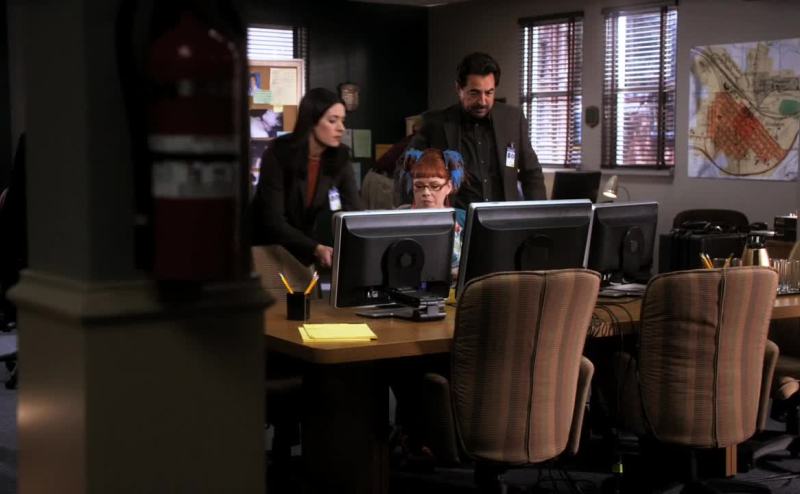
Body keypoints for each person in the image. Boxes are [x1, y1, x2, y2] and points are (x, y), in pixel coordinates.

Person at [403, 52, 546, 209]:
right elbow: (405, 171)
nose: (482, 101)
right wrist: (414, 214)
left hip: (502, 217)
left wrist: (539, 216)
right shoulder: (435, 124)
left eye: (489, 92)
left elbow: (532, 173)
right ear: (459, 88)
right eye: (474, 93)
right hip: (456, 218)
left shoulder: (512, 119)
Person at [251, 88, 363, 267]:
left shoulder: (340, 157)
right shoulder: (278, 152)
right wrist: (315, 248)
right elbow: (272, 220)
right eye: (332, 120)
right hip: (265, 245)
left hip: (304, 248)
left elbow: (354, 211)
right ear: (311, 121)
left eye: (342, 120)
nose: (341, 128)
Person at [400, 148, 465, 276]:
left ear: (449, 187)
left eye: (434, 186)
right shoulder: (398, 219)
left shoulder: (463, 219)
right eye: (419, 186)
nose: (426, 192)